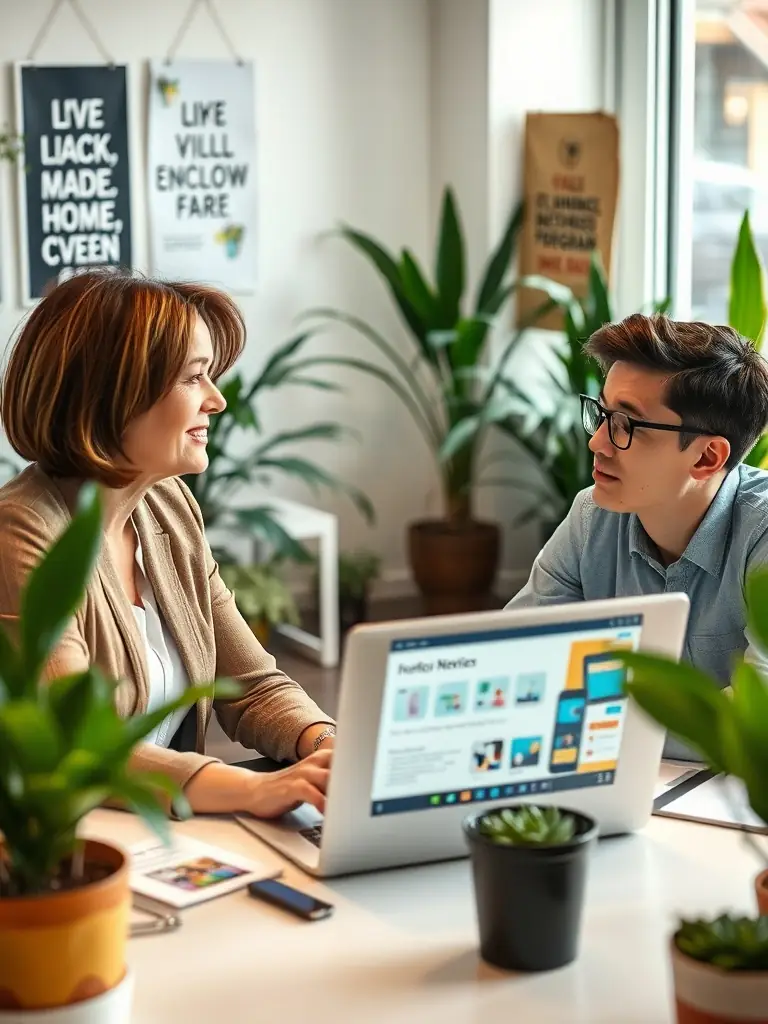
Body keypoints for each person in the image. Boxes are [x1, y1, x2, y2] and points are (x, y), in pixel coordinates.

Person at [0, 270, 336, 817]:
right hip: (65, 853)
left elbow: (251, 685)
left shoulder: (169, 507)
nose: (217, 401)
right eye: (193, 378)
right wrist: (253, 789)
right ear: (113, 393)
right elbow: (79, 746)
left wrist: (325, 746)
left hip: (164, 830)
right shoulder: (22, 530)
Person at [506, 313, 768, 759]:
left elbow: (753, 725)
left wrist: (596, 719)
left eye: (627, 424)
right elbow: (517, 663)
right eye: (603, 414)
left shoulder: (760, 537)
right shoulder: (592, 517)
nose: (598, 443)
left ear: (707, 457)